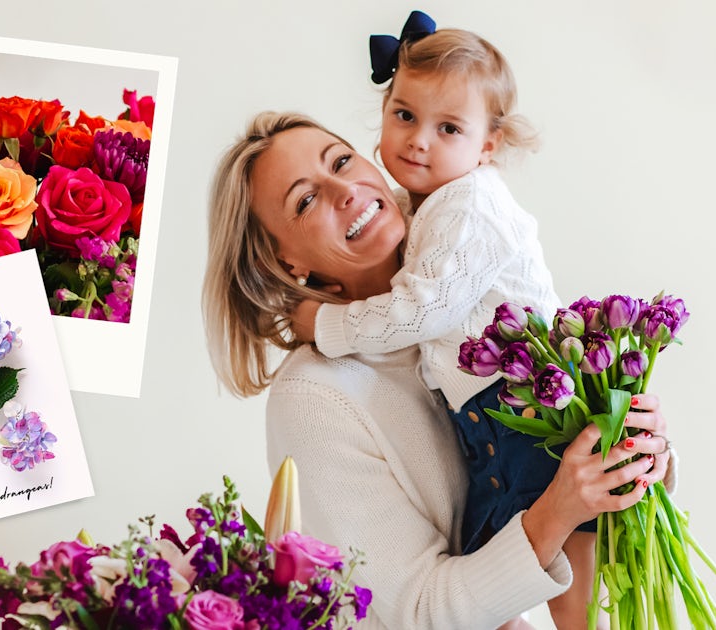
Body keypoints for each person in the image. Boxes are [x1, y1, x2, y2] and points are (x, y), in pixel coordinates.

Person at [204, 112, 675, 629]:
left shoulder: (466, 281)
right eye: (306, 199)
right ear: (284, 260)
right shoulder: (314, 397)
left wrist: (630, 456)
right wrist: (561, 508)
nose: (345, 189)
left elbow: (540, 470)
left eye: (341, 160)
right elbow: (420, 611)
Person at [285, 12, 600, 627]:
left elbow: (422, 309)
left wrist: (325, 324)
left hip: (523, 402)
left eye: (448, 127)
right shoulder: (431, 204)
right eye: (404, 115)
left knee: (566, 545)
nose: (418, 140)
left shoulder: (470, 206)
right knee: (494, 562)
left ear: (488, 146)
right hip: (487, 410)